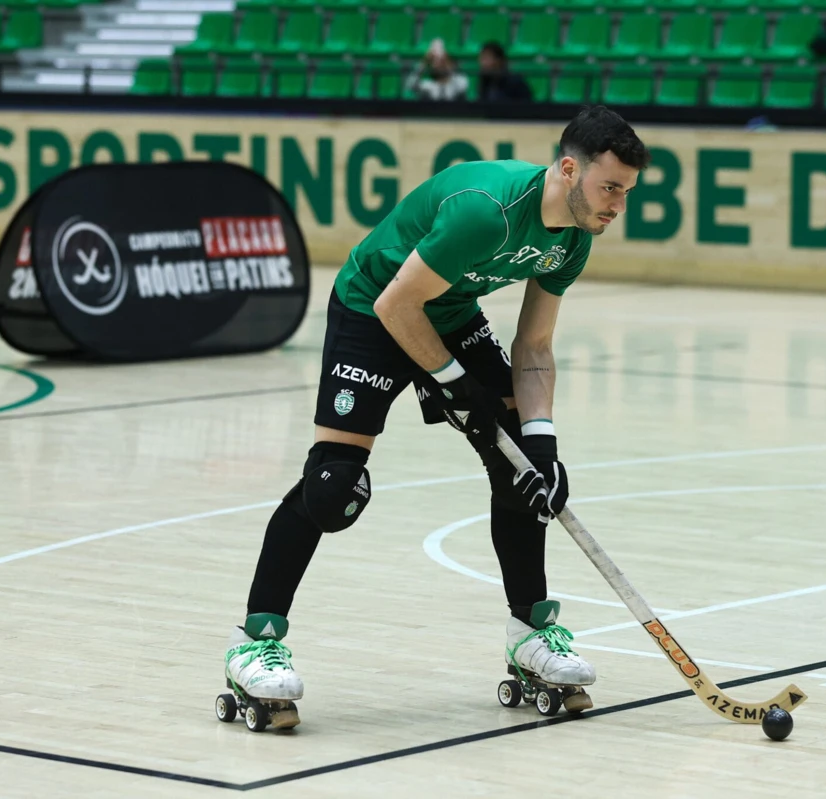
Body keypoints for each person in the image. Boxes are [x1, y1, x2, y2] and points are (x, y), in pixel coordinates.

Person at [221, 106, 650, 730]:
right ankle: (253, 643)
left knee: (523, 473)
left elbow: (534, 346)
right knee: (333, 487)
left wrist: (542, 441)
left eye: (627, 192)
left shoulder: (574, 239)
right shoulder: (487, 211)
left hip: (448, 314)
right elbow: (397, 304)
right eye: (610, 187)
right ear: (567, 169)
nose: (618, 205)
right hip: (373, 307)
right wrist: (452, 382)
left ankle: (530, 634)